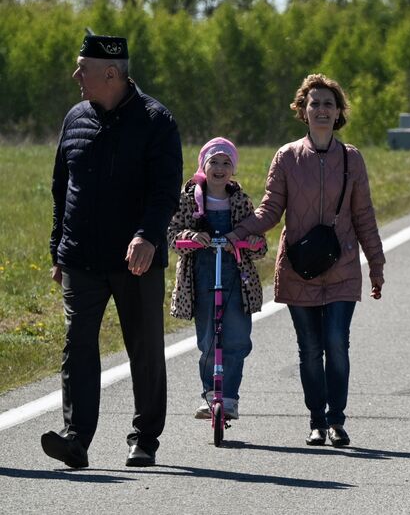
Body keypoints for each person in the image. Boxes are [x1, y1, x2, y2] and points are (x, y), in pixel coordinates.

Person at [43, 34, 182, 470]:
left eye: (82, 68)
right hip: (81, 256)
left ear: (110, 73)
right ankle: (76, 439)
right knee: (78, 345)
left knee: (144, 347)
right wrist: (57, 250)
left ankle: (145, 438)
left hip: (135, 260)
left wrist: (148, 236)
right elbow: (61, 188)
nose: (75, 75)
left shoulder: (156, 120)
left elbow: (165, 191)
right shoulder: (75, 118)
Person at [229, 73, 386, 449]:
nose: (321, 110)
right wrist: (236, 232)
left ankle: (337, 421)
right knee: (311, 349)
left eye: (329, 104)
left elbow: (363, 215)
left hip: (343, 267)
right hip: (298, 268)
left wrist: (376, 265)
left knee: (337, 343)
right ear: (302, 110)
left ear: (339, 112)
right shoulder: (286, 157)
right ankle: (317, 420)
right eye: (314, 103)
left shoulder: (352, 159)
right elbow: (270, 209)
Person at [167, 138, 268, 422]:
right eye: (214, 162)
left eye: (226, 163)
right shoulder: (188, 199)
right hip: (200, 277)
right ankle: (211, 395)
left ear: (233, 169)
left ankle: (230, 398)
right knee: (209, 339)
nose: (220, 168)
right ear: (203, 165)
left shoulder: (240, 200)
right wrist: (190, 237)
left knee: (236, 338)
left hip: (236, 277)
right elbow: (172, 235)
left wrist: (251, 242)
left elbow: (259, 244)